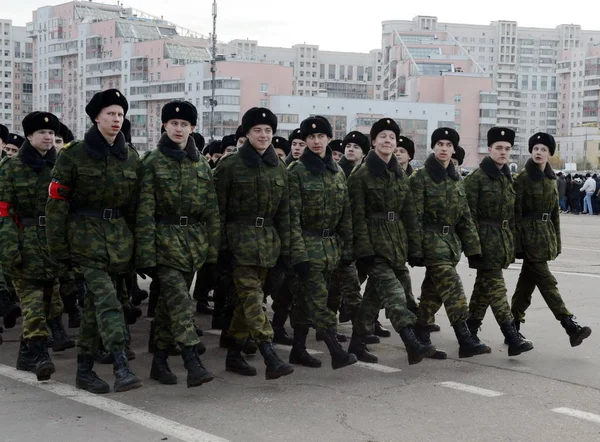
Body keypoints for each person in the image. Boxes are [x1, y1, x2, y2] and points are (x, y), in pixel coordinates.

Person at [46, 89, 142, 394]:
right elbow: (57, 204)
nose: (116, 119)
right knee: (109, 303)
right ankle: (120, 365)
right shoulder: (73, 154)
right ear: (96, 117)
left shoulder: (131, 158)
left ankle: (84, 371)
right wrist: (58, 250)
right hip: (85, 240)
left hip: (117, 242)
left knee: (93, 310)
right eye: (111, 114)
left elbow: (135, 208)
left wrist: (137, 248)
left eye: (120, 115)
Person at [136, 100, 217, 388]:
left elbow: (210, 210)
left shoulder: (201, 164)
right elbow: (144, 210)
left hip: (193, 244)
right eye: (173, 124)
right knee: (182, 304)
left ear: (193, 128)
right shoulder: (152, 161)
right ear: (164, 126)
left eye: (184, 124)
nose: (179, 128)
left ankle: (159, 363)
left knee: (167, 309)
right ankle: (191, 360)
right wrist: (145, 253)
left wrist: (211, 248)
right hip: (163, 242)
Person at [214, 107, 294, 380]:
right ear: (247, 133)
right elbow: (218, 211)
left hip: (268, 244)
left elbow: (285, 213)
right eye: (257, 130)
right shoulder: (230, 165)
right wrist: (220, 248)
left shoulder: (279, 168)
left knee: (246, 303)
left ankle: (234, 354)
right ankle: (269, 352)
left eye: (268, 131)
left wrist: (287, 249)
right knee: (253, 299)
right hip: (239, 243)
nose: (263, 135)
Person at [348, 118, 435, 365]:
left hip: (395, 243)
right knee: (395, 295)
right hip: (374, 246)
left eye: (392, 137)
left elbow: (409, 213)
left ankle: (356, 342)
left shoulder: (399, 174)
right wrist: (363, 250)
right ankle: (412, 342)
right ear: (373, 141)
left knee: (375, 297)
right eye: (383, 136)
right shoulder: (361, 174)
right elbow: (356, 215)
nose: (388, 141)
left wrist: (414, 247)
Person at [410, 127, 491, 358]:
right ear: (433, 147)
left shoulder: (456, 179)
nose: (444, 148)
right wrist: (415, 249)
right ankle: (465, 338)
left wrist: (473, 248)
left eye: (448, 145)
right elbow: (414, 216)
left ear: (454, 149)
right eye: (440, 144)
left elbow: (464, 217)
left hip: (450, 245)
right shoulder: (421, 177)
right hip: (430, 241)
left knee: (433, 291)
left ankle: (421, 334)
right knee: (453, 287)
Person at [0, 111, 68, 381]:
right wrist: (8, 248)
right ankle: (40, 354)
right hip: (24, 240)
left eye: (51, 133)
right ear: (29, 136)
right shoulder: (11, 167)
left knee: (52, 302)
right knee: (33, 304)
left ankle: (26, 354)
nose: (48, 137)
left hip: (51, 241)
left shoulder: (61, 166)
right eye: (42, 133)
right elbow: (4, 211)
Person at [287, 115, 357, 369]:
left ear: (329, 138)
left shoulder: (337, 172)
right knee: (318, 300)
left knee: (306, 302)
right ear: (305, 141)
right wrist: (298, 255)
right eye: (311, 137)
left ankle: (297, 349)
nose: (316, 141)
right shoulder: (296, 172)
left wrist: (347, 249)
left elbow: (345, 214)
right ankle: (336, 352)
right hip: (307, 246)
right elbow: (290, 218)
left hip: (331, 249)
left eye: (321, 137)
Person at [511, 132, 592, 347]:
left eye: (543, 149)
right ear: (531, 151)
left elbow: (554, 214)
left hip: (544, 236)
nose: (539, 152)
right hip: (529, 238)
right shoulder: (522, 179)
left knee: (526, 286)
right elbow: (515, 214)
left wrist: (556, 241)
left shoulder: (551, 179)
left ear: (549, 153)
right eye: (536, 149)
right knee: (547, 283)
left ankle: (512, 327)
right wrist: (517, 244)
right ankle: (569, 324)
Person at [463, 127, 533, 357]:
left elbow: (510, 215)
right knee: (497, 288)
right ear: (489, 149)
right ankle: (511, 335)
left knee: (484, 288)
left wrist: (512, 243)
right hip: (484, 241)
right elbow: (468, 216)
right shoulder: (477, 179)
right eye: (499, 148)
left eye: (507, 149)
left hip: (501, 242)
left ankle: (469, 331)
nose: (503, 152)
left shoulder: (506, 178)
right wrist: (473, 246)